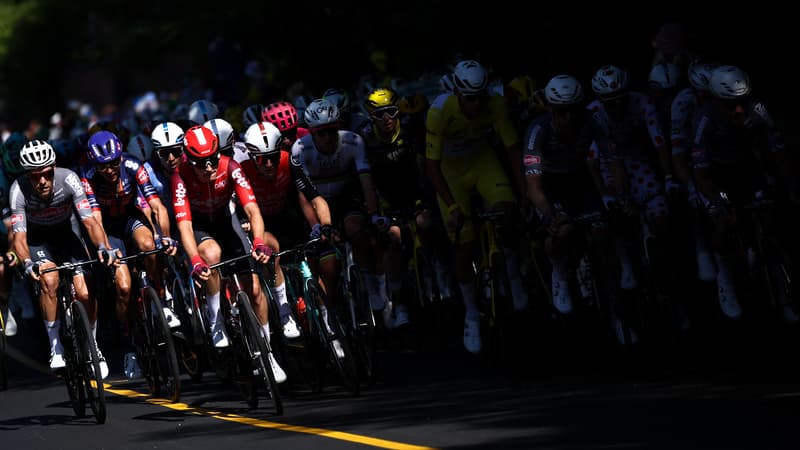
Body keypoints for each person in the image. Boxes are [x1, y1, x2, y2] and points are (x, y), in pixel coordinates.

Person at [425, 59, 529, 354]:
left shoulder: (494, 103)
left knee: (507, 212)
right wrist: (451, 206)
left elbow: (512, 149)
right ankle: (471, 312)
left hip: (482, 162)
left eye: (481, 98)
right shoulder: (440, 111)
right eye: (470, 100)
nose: (476, 105)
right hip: (451, 171)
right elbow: (432, 167)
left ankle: (514, 277)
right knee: (464, 243)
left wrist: (524, 193)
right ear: (458, 95)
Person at [171, 125, 287, 382]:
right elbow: (184, 226)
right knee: (211, 254)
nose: (209, 167)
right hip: (199, 226)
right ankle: (215, 322)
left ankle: (267, 353)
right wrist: (195, 260)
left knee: (254, 290)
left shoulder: (231, 167)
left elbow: (253, 210)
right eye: (201, 163)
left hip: (226, 220)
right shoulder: (180, 176)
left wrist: (258, 241)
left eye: (213, 159)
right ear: (190, 161)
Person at [688, 65, 796, 321]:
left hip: (749, 169)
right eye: (730, 105)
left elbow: (778, 151)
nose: (738, 109)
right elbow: (701, 175)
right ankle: (723, 277)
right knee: (722, 223)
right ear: (715, 100)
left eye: (742, 102)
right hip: (717, 176)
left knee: (771, 226)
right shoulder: (704, 120)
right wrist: (721, 202)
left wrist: (790, 185)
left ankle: (785, 290)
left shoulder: (758, 111)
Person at [10, 139, 119, 377]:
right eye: (35, 176)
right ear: (27, 175)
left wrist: (102, 246)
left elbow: (89, 221)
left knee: (85, 292)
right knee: (49, 280)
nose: (42, 181)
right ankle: (55, 346)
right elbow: (19, 237)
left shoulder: (69, 179)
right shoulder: (18, 189)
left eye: (47, 174)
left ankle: (94, 347)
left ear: (54, 168)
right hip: (38, 240)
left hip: (67, 233)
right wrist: (27, 263)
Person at [80, 130, 179, 378]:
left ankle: (161, 299)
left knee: (150, 245)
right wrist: (106, 249)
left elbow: (156, 206)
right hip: (107, 228)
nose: (111, 170)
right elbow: (96, 220)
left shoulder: (134, 165)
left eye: (114, 163)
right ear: (94, 165)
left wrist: (164, 236)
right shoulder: (89, 177)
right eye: (104, 166)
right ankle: (128, 346)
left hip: (129, 218)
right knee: (123, 287)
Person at [290, 98, 391, 326]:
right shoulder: (300, 149)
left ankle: (369, 282)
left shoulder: (353, 142)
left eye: (331, 131)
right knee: (328, 266)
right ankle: (328, 317)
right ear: (312, 132)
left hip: (346, 198)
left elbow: (366, 182)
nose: (327, 138)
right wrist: (317, 225)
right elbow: (304, 196)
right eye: (321, 133)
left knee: (357, 229)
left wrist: (374, 214)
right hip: (317, 202)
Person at [236, 121, 337, 344]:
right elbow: (242, 211)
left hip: (288, 217)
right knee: (272, 251)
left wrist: (326, 224)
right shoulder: (242, 171)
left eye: (273, 156)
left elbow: (315, 197)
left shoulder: (288, 160)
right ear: (252, 157)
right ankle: (284, 314)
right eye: (263, 159)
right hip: (262, 223)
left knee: (324, 259)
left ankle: (329, 318)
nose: (270, 164)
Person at [523, 74, 604, 314]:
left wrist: (615, 196)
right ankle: (559, 274)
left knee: (602, 229)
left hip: (578, 177)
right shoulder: (537, 130)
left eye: (573, 111)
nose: (568, 118)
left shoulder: (592, 120)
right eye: (561, 112)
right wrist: (550, 215)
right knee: (563, 230)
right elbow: (533, 186)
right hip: (548, 182)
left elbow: (613, 161)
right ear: (550, 110)